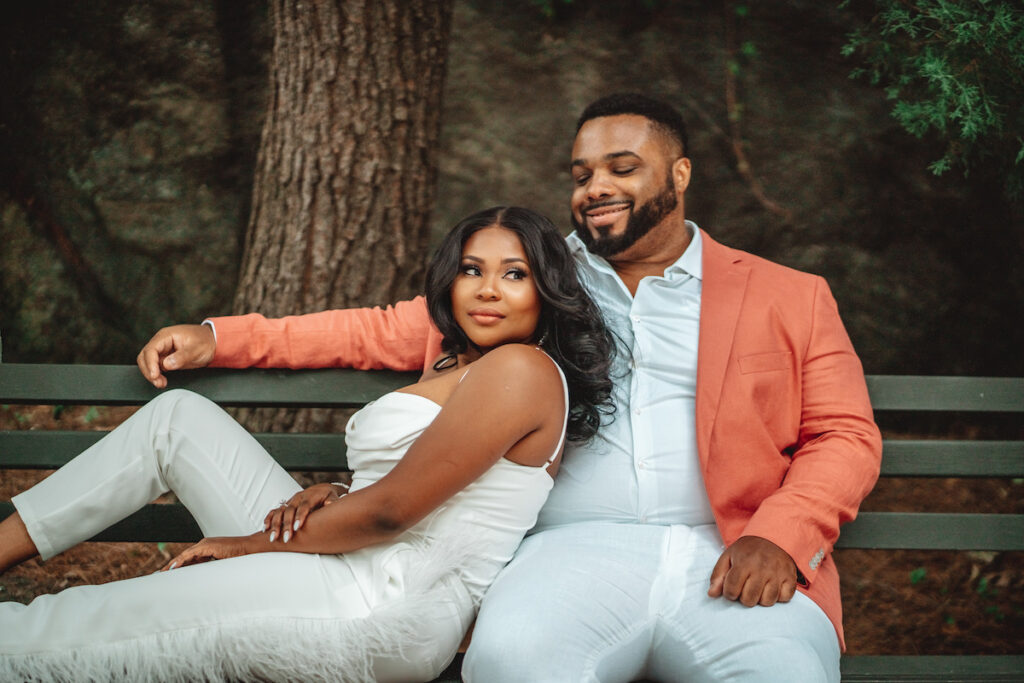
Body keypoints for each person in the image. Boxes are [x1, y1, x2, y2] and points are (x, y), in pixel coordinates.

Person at [133, 94, 883, 682]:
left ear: (679, 174)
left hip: (730, 550)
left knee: (786, 671)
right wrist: (223, 337)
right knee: (510, 665)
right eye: (582, 174)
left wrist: (777, 537)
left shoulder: (789, 295)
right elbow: (372, 331)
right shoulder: (534, 283)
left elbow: (845, 435)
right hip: (564, 553)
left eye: (622, 167)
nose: (596, 188)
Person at [0, 206, 615, 682]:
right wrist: (338, 490)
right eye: (472, 270)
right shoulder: (457, 356)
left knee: (83, 625)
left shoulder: (520, 371)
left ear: (547, 291)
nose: (487, 289)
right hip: (345, 555)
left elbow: (392, 510)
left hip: (379, 601)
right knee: (177, 420)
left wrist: (244, 547)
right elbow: (426, 477)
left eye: (515, 274)